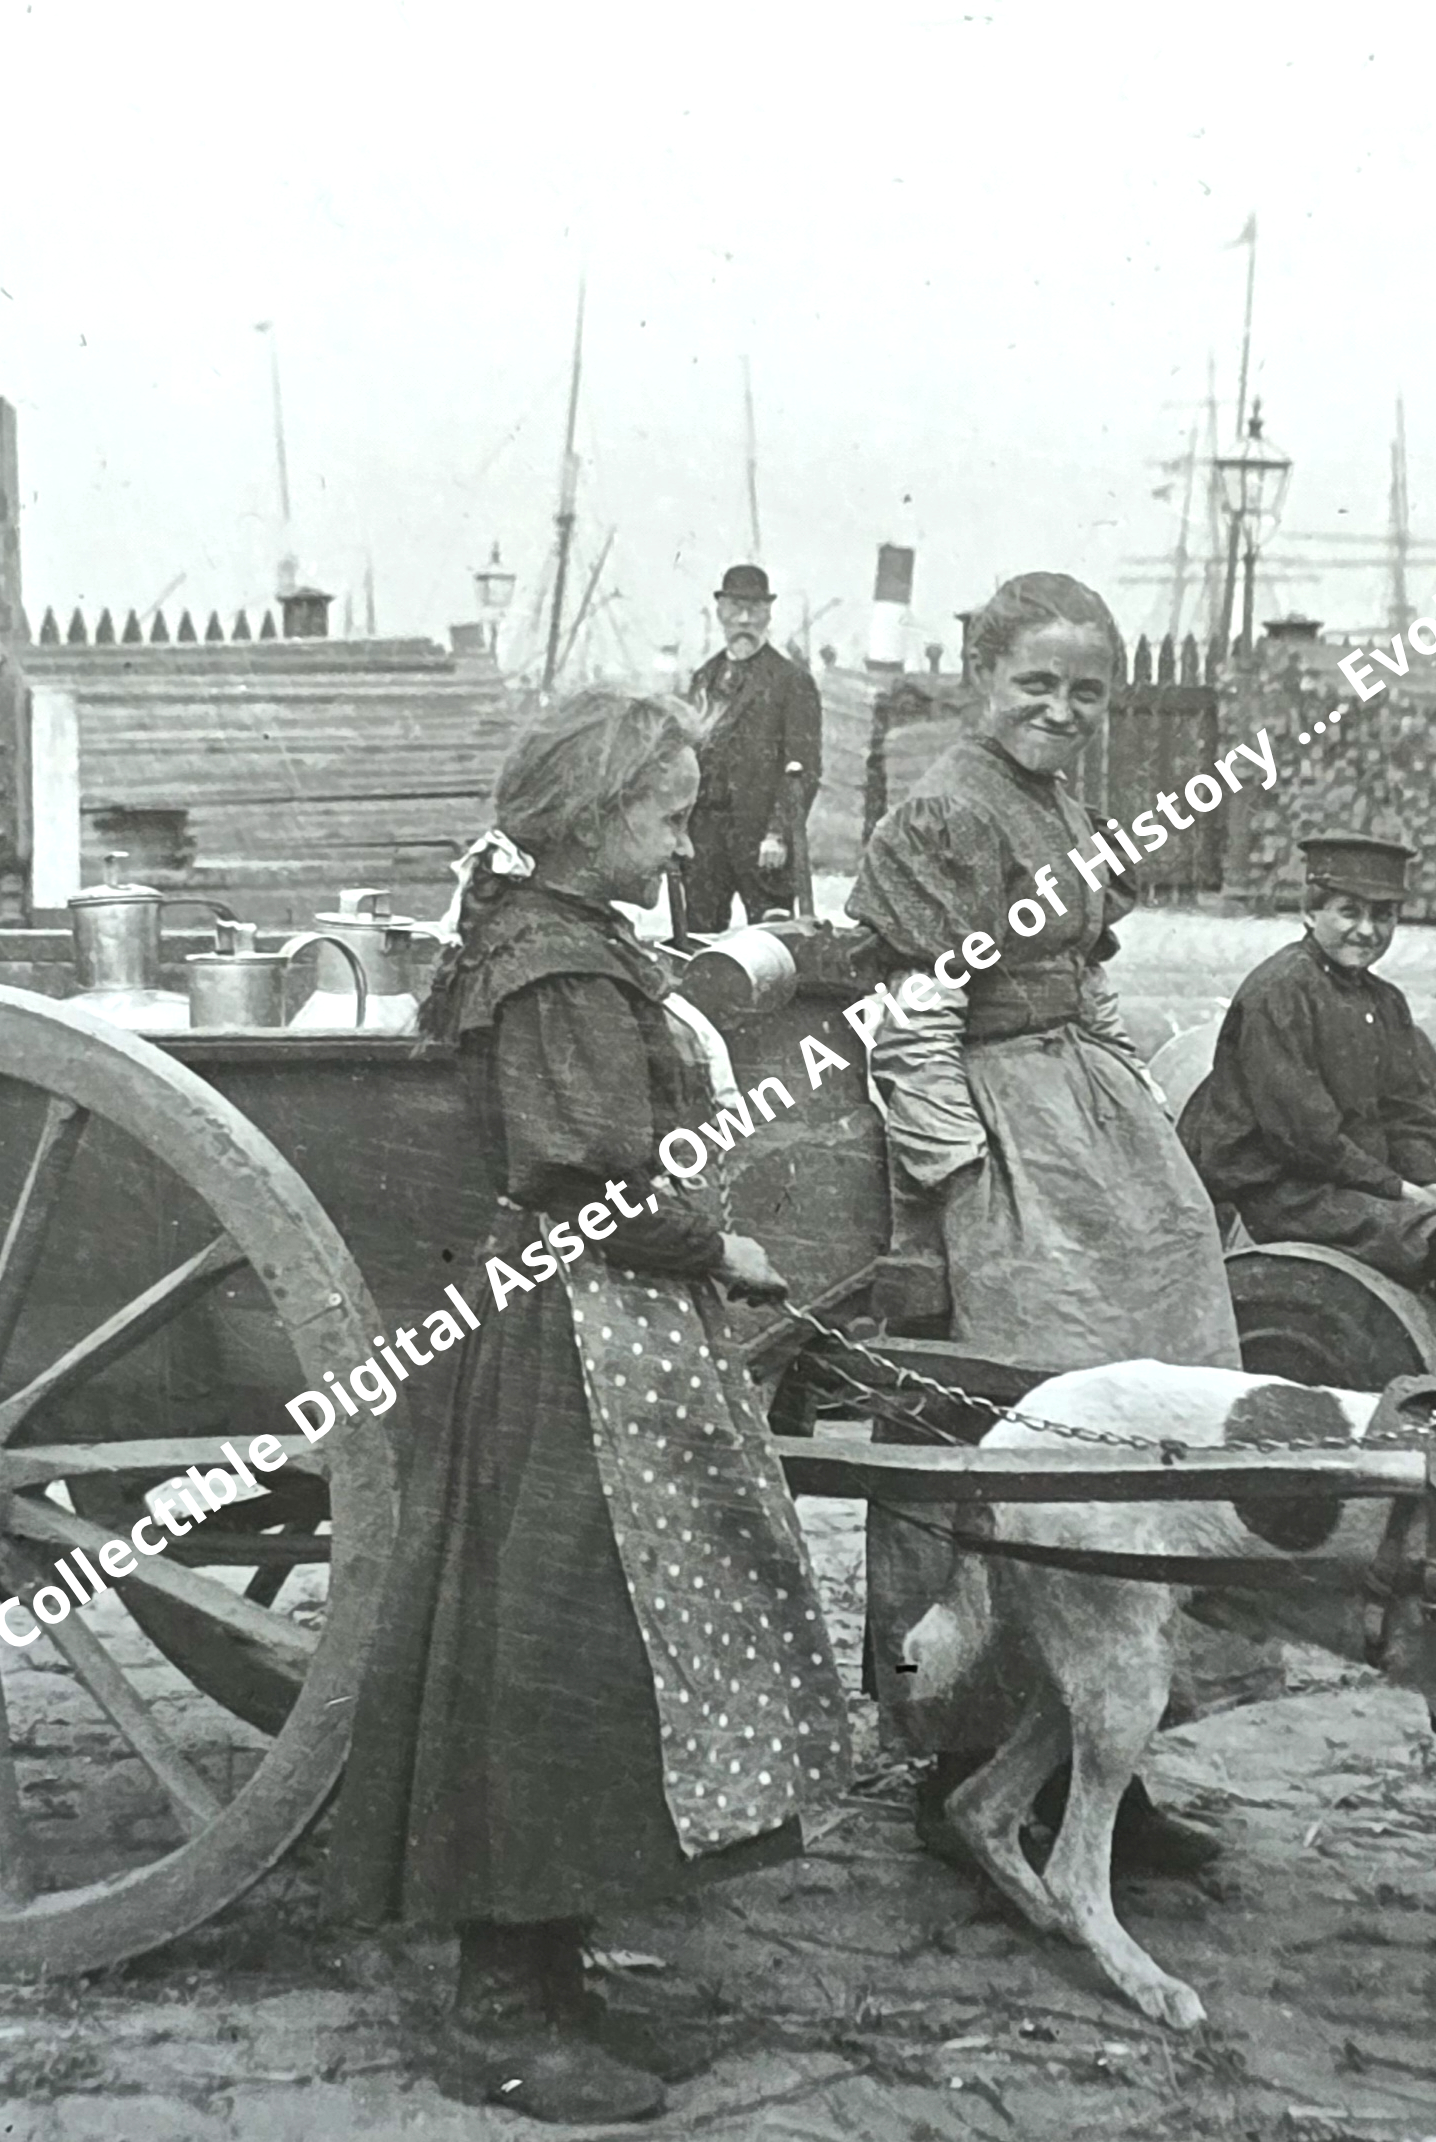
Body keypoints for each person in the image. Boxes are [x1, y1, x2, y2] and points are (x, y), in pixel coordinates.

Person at [327, 687, 850, 2126]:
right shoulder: (554, 969)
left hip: (614, 1339)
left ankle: (554, 1975)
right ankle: (498, 2010)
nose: (684, 843)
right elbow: (585, 1179)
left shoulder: (573, 941)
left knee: (611, 1656)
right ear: (590, 818)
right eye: (669, 816)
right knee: (555, 1654)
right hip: (572, 1346)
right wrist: (719, 1249)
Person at [845, 570, 1268, 1877]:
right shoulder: (940, 814)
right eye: (1035, 682)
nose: (1061, 709)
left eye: (1087, 691)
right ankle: (962, 1766)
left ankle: (1102, 1760)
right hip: (994, 1126)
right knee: (1026, 1421)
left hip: (1082, 1110)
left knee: (1155, 1399)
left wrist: (1138, 1110)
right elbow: (909, 1019)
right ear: (980, 677)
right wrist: (960, 1180)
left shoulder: (1065, 807)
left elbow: (1080, 980)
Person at [1176, 832, 1436, 1341]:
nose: (1367, 930)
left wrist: (1427, 1180)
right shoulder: (1281, 992)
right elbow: (1302, 1134)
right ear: (1310, 912)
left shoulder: (1385, 1002)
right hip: (1278, 1189)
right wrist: (1399, 1190)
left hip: (1348, 1181)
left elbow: (1407, 1112)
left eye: (1384, 915)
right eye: (1349, 912)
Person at [682, 563, 822, 931]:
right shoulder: (704, 679)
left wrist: (778, 833)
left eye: (755, 610)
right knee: (698, 940)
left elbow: (802, 768)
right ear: (720, 611)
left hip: (762, 841)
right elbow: (684, 761)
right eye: (735, 608)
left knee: (772, 939)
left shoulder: (791, 681)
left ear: (768, 614)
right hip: (704, 839)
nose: (744, 619)